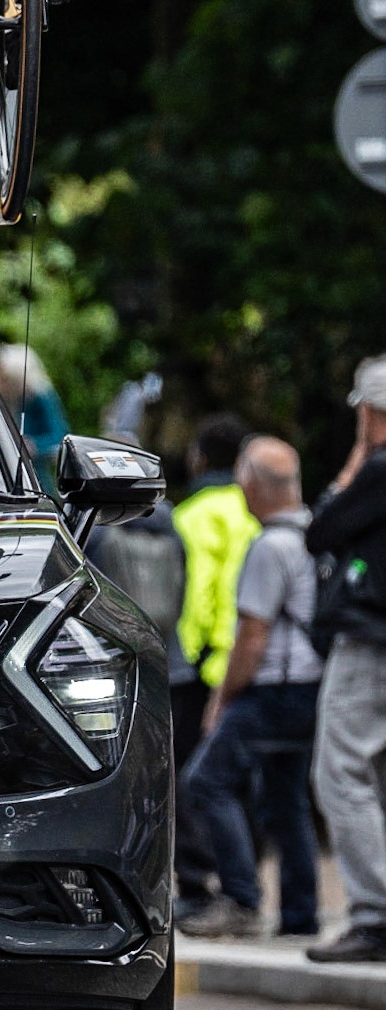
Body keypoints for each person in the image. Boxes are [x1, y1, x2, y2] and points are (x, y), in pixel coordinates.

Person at [180, 437, 323, 938]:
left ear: (254, 485)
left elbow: (253, 636)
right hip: (311, 689)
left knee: (205, 780)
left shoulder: (269, 546)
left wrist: (223, 698)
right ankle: (300, 916)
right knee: (287, 799)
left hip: (273, 691)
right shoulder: (316, 536)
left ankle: (241, 899)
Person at [304, 357, 386, 963]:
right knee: (375, 777)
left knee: (339, 773)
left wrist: (361, 453)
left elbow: (322, 528)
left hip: (370, 642)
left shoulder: (380, 469)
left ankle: (375, 914)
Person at [169, 413, 256, 916]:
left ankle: (199, 885)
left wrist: (192, 647)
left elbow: (199, 589)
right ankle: (244, 881)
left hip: (202, 667)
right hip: (252, 661)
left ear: (200, 457)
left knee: (191, 778)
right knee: (240, 779)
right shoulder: (253, 508)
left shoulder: (193, 514)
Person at [0, 344, 70, 492]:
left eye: (4, 378)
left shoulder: (41, 398)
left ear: (16, 378)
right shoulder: (2, 399)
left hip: (35, 480)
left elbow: (60, 438)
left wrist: (34, 445)